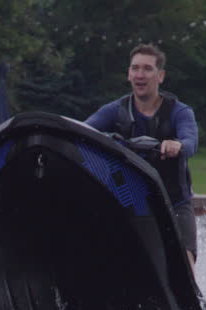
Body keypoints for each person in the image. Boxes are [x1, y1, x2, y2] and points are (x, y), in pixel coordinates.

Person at [84, 44, 199, 270]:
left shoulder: (180, 112)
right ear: (128, 74)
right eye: (135, 68)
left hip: (173, 203)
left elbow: (191, 142)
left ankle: (187, 295)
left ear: (160, 76)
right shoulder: (114, 110)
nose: (140, 75)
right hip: (128, 205)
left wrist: (177, 145)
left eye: (147, 69)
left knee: (184, 262)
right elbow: (82, 131)